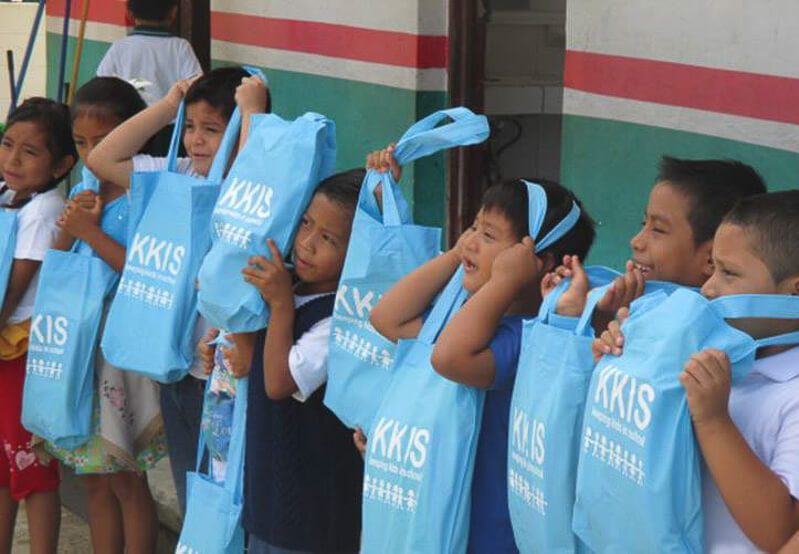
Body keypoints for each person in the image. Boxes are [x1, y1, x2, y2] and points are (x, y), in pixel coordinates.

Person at [370, 173, 596, 553]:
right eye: (473, 226)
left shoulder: (528, 338)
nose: (470, 242)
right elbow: (386, 318)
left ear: (537, 261)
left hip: (489, 534)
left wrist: (504, 282)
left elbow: (448, 358)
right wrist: (457, 254)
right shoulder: (464, 317)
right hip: (441, 521)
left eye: (489, 235)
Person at [87, 66, 269, 513]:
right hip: (174, 365)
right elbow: (103, 159)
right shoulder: (177, 172)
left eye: (212, 129)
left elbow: (249, 173)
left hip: (222, 372)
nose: (196, 140)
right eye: (190, 127)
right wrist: (168, 107)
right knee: (193, 494)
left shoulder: (250, 185)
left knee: (229, 495)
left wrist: (253, 117)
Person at [596, 191, 799, 552]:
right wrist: (622, 361)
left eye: (730, 273)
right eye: (714, 267)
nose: (708, 288)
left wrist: (713, 420)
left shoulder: (792, 394)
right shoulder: (706, 348)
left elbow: (780, 532)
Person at [204, 169, 367, 554]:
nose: (306, 244)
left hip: (312, 512)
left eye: (328, 239)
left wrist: (279, 306)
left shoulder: (340, 317)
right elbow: (250, 361)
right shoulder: (288, 284)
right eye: (306, 224)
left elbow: (278, 383)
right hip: (266, 493)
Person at [42, 77, 166, 554]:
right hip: (81, 347)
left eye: (103, 141)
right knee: (93, 478)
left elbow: (144, 272)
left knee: (127, 478)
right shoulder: (90, 185)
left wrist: (89, 233)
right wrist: (72, 229)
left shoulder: (145, 194)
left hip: (119, 349)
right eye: (81, 142)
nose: (92, 153)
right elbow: (60, 262)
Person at [551, 156, 767, 339]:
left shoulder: (704, 335)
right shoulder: (630, 307)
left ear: (711, 258)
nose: (636, 241)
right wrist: (602, 318)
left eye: (658, 230)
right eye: (644, 224)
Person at [0, 97, 76, 554]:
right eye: (7, 144)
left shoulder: (44, 210)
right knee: (6, 464)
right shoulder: (12, 196)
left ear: (63, 163)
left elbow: (14, 289)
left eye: (30, 152)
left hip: (23, 352)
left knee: (32, 467)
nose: (12, 159)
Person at [96, 0, 201, 106]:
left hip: (132, 120)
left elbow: (101, 85)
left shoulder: (119, 47)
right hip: (171, 120)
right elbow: (195, 86)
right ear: (173, 12)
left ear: (129, 14)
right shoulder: (180, 47)